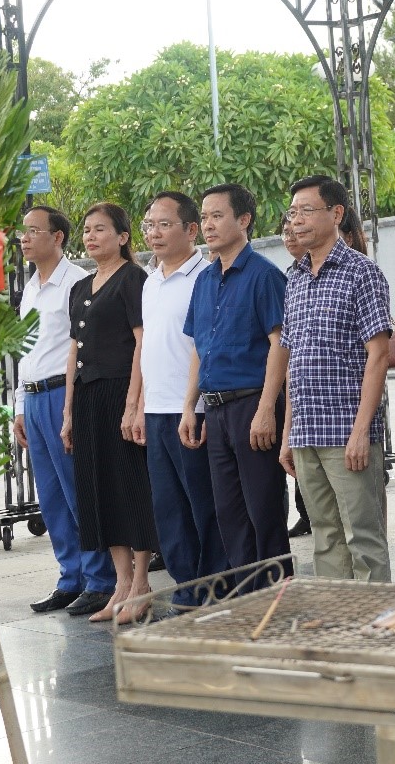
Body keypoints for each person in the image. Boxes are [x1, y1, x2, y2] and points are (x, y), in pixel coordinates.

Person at [277, 175, 393, 581]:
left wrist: (362, 431)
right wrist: (289, 432)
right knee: (325, 537)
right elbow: (293, 362)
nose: (296, 221)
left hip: (347, 430)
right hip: (307, 431)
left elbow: (378, 356)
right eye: (292, 213)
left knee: (364, 537)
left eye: (306, 211)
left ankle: (374, 632)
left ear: (336, 213)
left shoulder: (362, 273)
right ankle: (339, 626)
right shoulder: (293, 278)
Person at [180, 184, 290, 590]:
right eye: (205, 217)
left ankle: (279, 598)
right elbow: (198, 349)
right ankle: (246, 599)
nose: (208, 224)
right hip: (216, 409)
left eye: (217, 216)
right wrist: (190, 407)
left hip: (251, 405)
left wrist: (266, 409)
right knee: (229, 511)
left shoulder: (264, 276)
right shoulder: (205, 280)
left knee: (263, 509)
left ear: (243, 221)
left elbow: (281, 345)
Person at [14, 205, 117, 618]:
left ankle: (100, 580)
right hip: (35, 398)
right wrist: (20, 404)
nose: (24, 238)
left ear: (57, 237)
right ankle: (69, 578)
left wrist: (73, 408)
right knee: (51, 497)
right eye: (23, 231)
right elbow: (24, 350)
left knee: (79, 491)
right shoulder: (30, 286)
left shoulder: (77, 282)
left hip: (64, 395)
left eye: (34, 230)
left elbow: (81, 349)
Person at [61, 202, 158, 624]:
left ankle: (141, 584)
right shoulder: (79, 288)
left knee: (129, 486)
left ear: (122, 237)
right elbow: (73, 352)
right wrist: (67, 411)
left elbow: (142, 343)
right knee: (98, 490)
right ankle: (119, 583)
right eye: (87, 229)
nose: (91, 236)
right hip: (86, 396)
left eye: (101, 229)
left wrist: (133, 403)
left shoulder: (134, 278)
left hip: (120, 390)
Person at [136, 192, 227, 606]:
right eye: (149, 225)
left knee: (202, 506)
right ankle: (186, 588)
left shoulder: (205, 277)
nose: (154, 233)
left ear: (191, 230)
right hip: (156, 410)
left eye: (164, 224)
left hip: (194, 410)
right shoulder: (150, 279)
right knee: (168, 509)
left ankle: (213, 589)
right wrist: (137, 406)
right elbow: (145, 348)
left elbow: (202, 346)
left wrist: (192, 406)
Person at [278, 216, 313, 540]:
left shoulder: (354, 270)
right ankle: (306, 514)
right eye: (285, 232)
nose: (290, 236)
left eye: (294, 231)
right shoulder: (291, 278)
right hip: (298, 391)